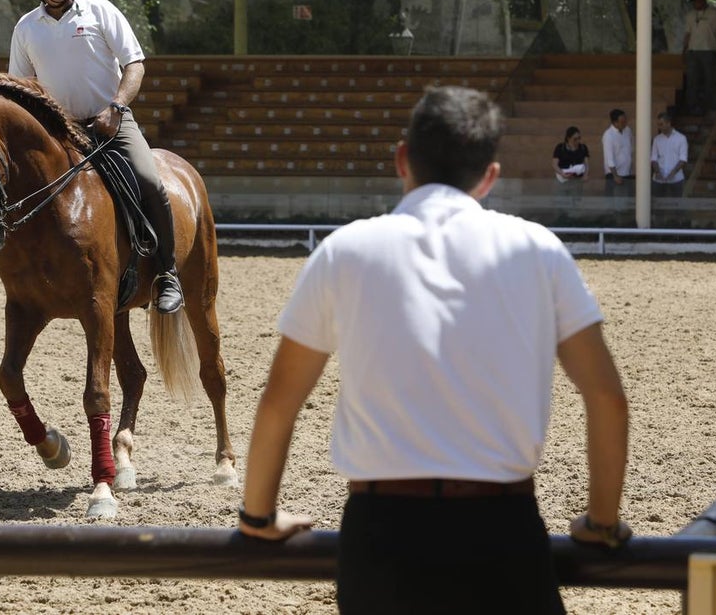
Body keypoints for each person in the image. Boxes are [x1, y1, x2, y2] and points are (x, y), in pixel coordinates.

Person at [237, 86, 632, 614]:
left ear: (402, 157)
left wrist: (258, 517)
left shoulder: (344, 251)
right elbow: (606, 397)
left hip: (381, 538)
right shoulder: (541, 251)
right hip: (503, 530)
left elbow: (279, 401)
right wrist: (601, 523)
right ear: (489, 176)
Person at [8, 0, 182, 313]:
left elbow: (135, 65)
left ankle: (167, 274)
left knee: (149, 181)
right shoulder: (26, 29)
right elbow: (21, 89)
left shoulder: (100, 11)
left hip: (112, 123)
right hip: (62, 133)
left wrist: (116, 107)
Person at [682, 0, 716, 116]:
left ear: (702, 0)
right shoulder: (690, 15)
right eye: (694, 2)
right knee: (692, 81)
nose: (695, 4)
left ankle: (709, 107)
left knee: (709, 80)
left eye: (696, 1)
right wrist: (684, 49)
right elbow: (687, 33)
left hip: (709, 51)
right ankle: (692, 107)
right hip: (693, 51)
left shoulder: (714, 14)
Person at [650, 110, 688, 198]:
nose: (659, 127)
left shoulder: (681, 138)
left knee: (676, 206)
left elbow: (683, 159)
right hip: (659, 179)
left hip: (676, 179)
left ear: (668, 123)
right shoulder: (657, 139)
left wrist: (672, 173)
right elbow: (654, 158)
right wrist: (657, 172)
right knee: (658, 206)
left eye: (661, 124)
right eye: (658, 124)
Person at [601, 108, 634, 197]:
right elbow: (609, 158)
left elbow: (630, 149)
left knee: (628, 201)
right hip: (614, 174)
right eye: (622, 122)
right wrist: (615, 175)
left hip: (627, 172)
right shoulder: (608, 135)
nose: (625, 123)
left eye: (625, 120)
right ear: (615, 123)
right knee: (614, 202)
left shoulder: (628, 130)